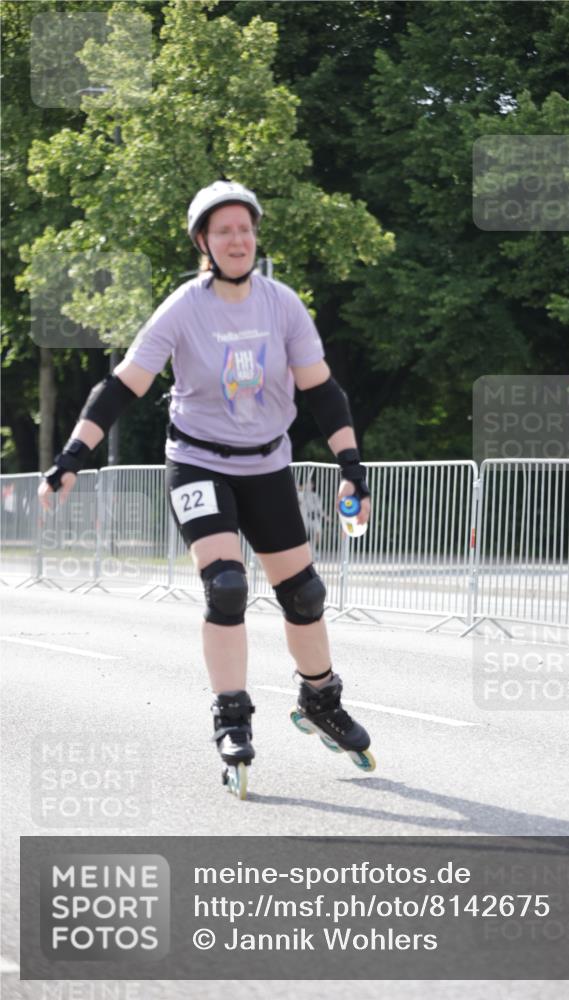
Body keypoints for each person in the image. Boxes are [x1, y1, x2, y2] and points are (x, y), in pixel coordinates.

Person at [38, 179, 375, 799]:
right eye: (224, 231)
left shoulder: (282, 305)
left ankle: (321, 698)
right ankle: (232, 718)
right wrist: (72, 455)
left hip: (267, 463)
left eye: (245, 229)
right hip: (198, 464)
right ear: (204, 242)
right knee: (226, 587)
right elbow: (121, 386)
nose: (238, 240)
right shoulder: (184, 307)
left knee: (303, 593)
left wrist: (351, 463)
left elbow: (322, 392)